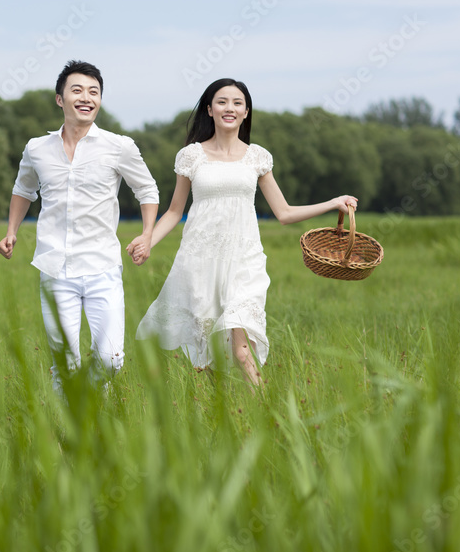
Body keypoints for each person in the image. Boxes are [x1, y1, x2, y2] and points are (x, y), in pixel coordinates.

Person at [129, 78, 358, 387]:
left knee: (239, 349)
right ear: (209, 110)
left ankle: (266, 414)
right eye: (222, 102)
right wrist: (148, 240)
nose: (230, 108)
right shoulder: (191, 156)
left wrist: (332, 203)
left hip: (244, 259)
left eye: (237, 103)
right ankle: (219, 419)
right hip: (201, 260)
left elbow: (285, 213)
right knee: (207, 351)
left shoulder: (257, 157)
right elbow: (174, 212)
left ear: (246, 111)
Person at [0, 60, 160, 395]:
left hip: (102, 267)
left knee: (112, 359)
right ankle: (73, 438)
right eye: (77, 90)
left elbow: (147, 189)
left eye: (94, 92)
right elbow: (23, 190)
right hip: (54, 268)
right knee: (64, 365)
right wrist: (12, 230)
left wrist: (146, 234)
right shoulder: (36, 149)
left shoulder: (119, 146)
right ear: (60, 99)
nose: (86, 97)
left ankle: (83, 400)